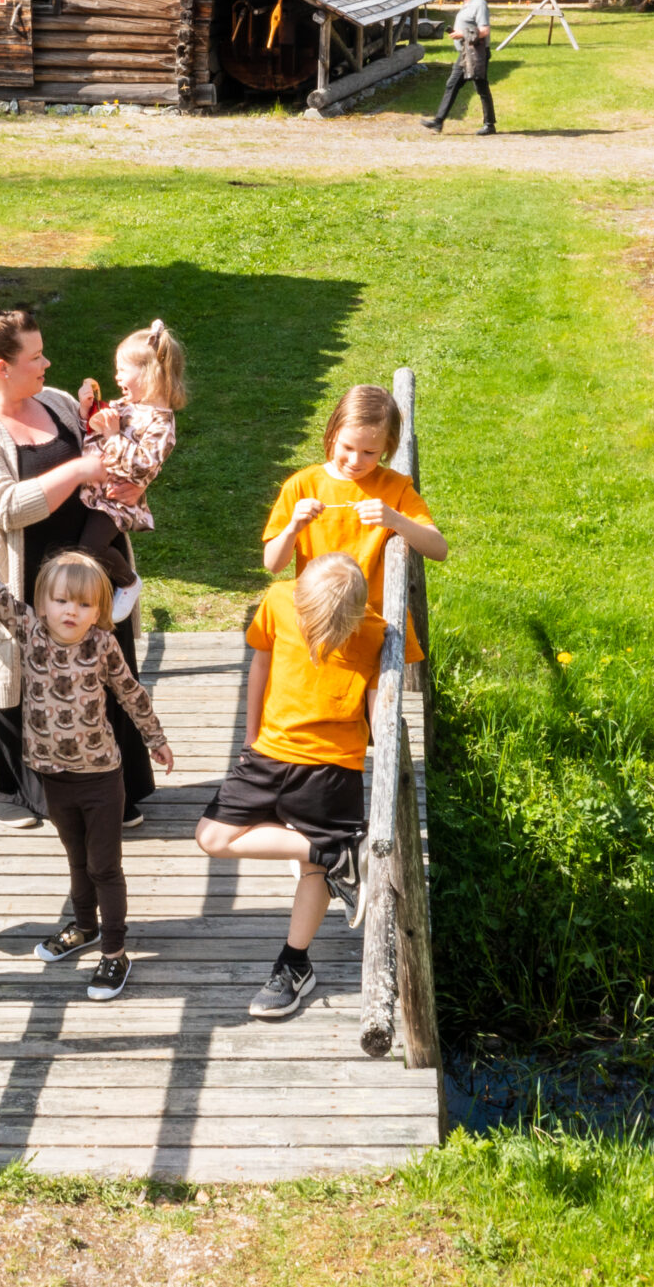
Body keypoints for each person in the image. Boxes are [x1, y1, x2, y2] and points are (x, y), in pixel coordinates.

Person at [0, 297, 158, 830]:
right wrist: (80, 470)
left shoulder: (56, 402)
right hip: (21, 577)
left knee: (102, 669)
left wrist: (129, 478)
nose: (47, 363)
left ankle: (116, 787)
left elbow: (115, 453)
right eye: (35, 357)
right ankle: (7, 787)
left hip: (86, 576)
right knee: (20, 678)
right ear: (1, 367)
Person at [194, 554, 422, 1019]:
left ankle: (294, 963)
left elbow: (379, 709)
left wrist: (385, 752)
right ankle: (337, 852)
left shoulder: (377, 632)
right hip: (268, 752)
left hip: (330, 767)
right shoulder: (280, 601)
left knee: (311, 872)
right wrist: (250, 734)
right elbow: (260, 665)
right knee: (212, 837)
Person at [0, 547, 174, 1001]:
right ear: (42, 602)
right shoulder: (30, 630)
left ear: (100, 610)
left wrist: (155, 737)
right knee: (76, 859)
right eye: (61, 600)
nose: (71, 611)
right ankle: (85, 926)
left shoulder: (102, 644)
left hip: (101, 777)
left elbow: (130, 692)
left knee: (104, 866)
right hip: (53, 776)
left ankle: (114, 951)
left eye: (84, 604)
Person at [263, 385, 451, 608]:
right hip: (318, 615)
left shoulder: (396, 487)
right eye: (348, 447)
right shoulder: (302, 485)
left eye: (369, 452)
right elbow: (273, 564)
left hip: (373, 618)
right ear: (333, 435)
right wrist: (293, 528)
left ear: (386, 447)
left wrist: (395, 520)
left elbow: (439, 549)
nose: (355, 461)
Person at [73, 319, 188, 610]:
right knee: (78, 546)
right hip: (92, 490)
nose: (116, 376)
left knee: (90, 548)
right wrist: (87, 413)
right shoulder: (126, 406)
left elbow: (142, 466)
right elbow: (92, 435)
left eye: (122, 370)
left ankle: (127, 581)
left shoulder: (161, 424)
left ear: (148, 374)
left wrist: (113, 436)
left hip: (115, 500)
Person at [422, 0, 495, 135]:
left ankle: (489, 125)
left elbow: (484, 30)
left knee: (481, 87)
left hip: (476, 54)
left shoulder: (479, 4)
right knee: (452, 84)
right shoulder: (468, 4)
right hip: (465, 53)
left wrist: (462, 34)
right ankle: (438, 122)